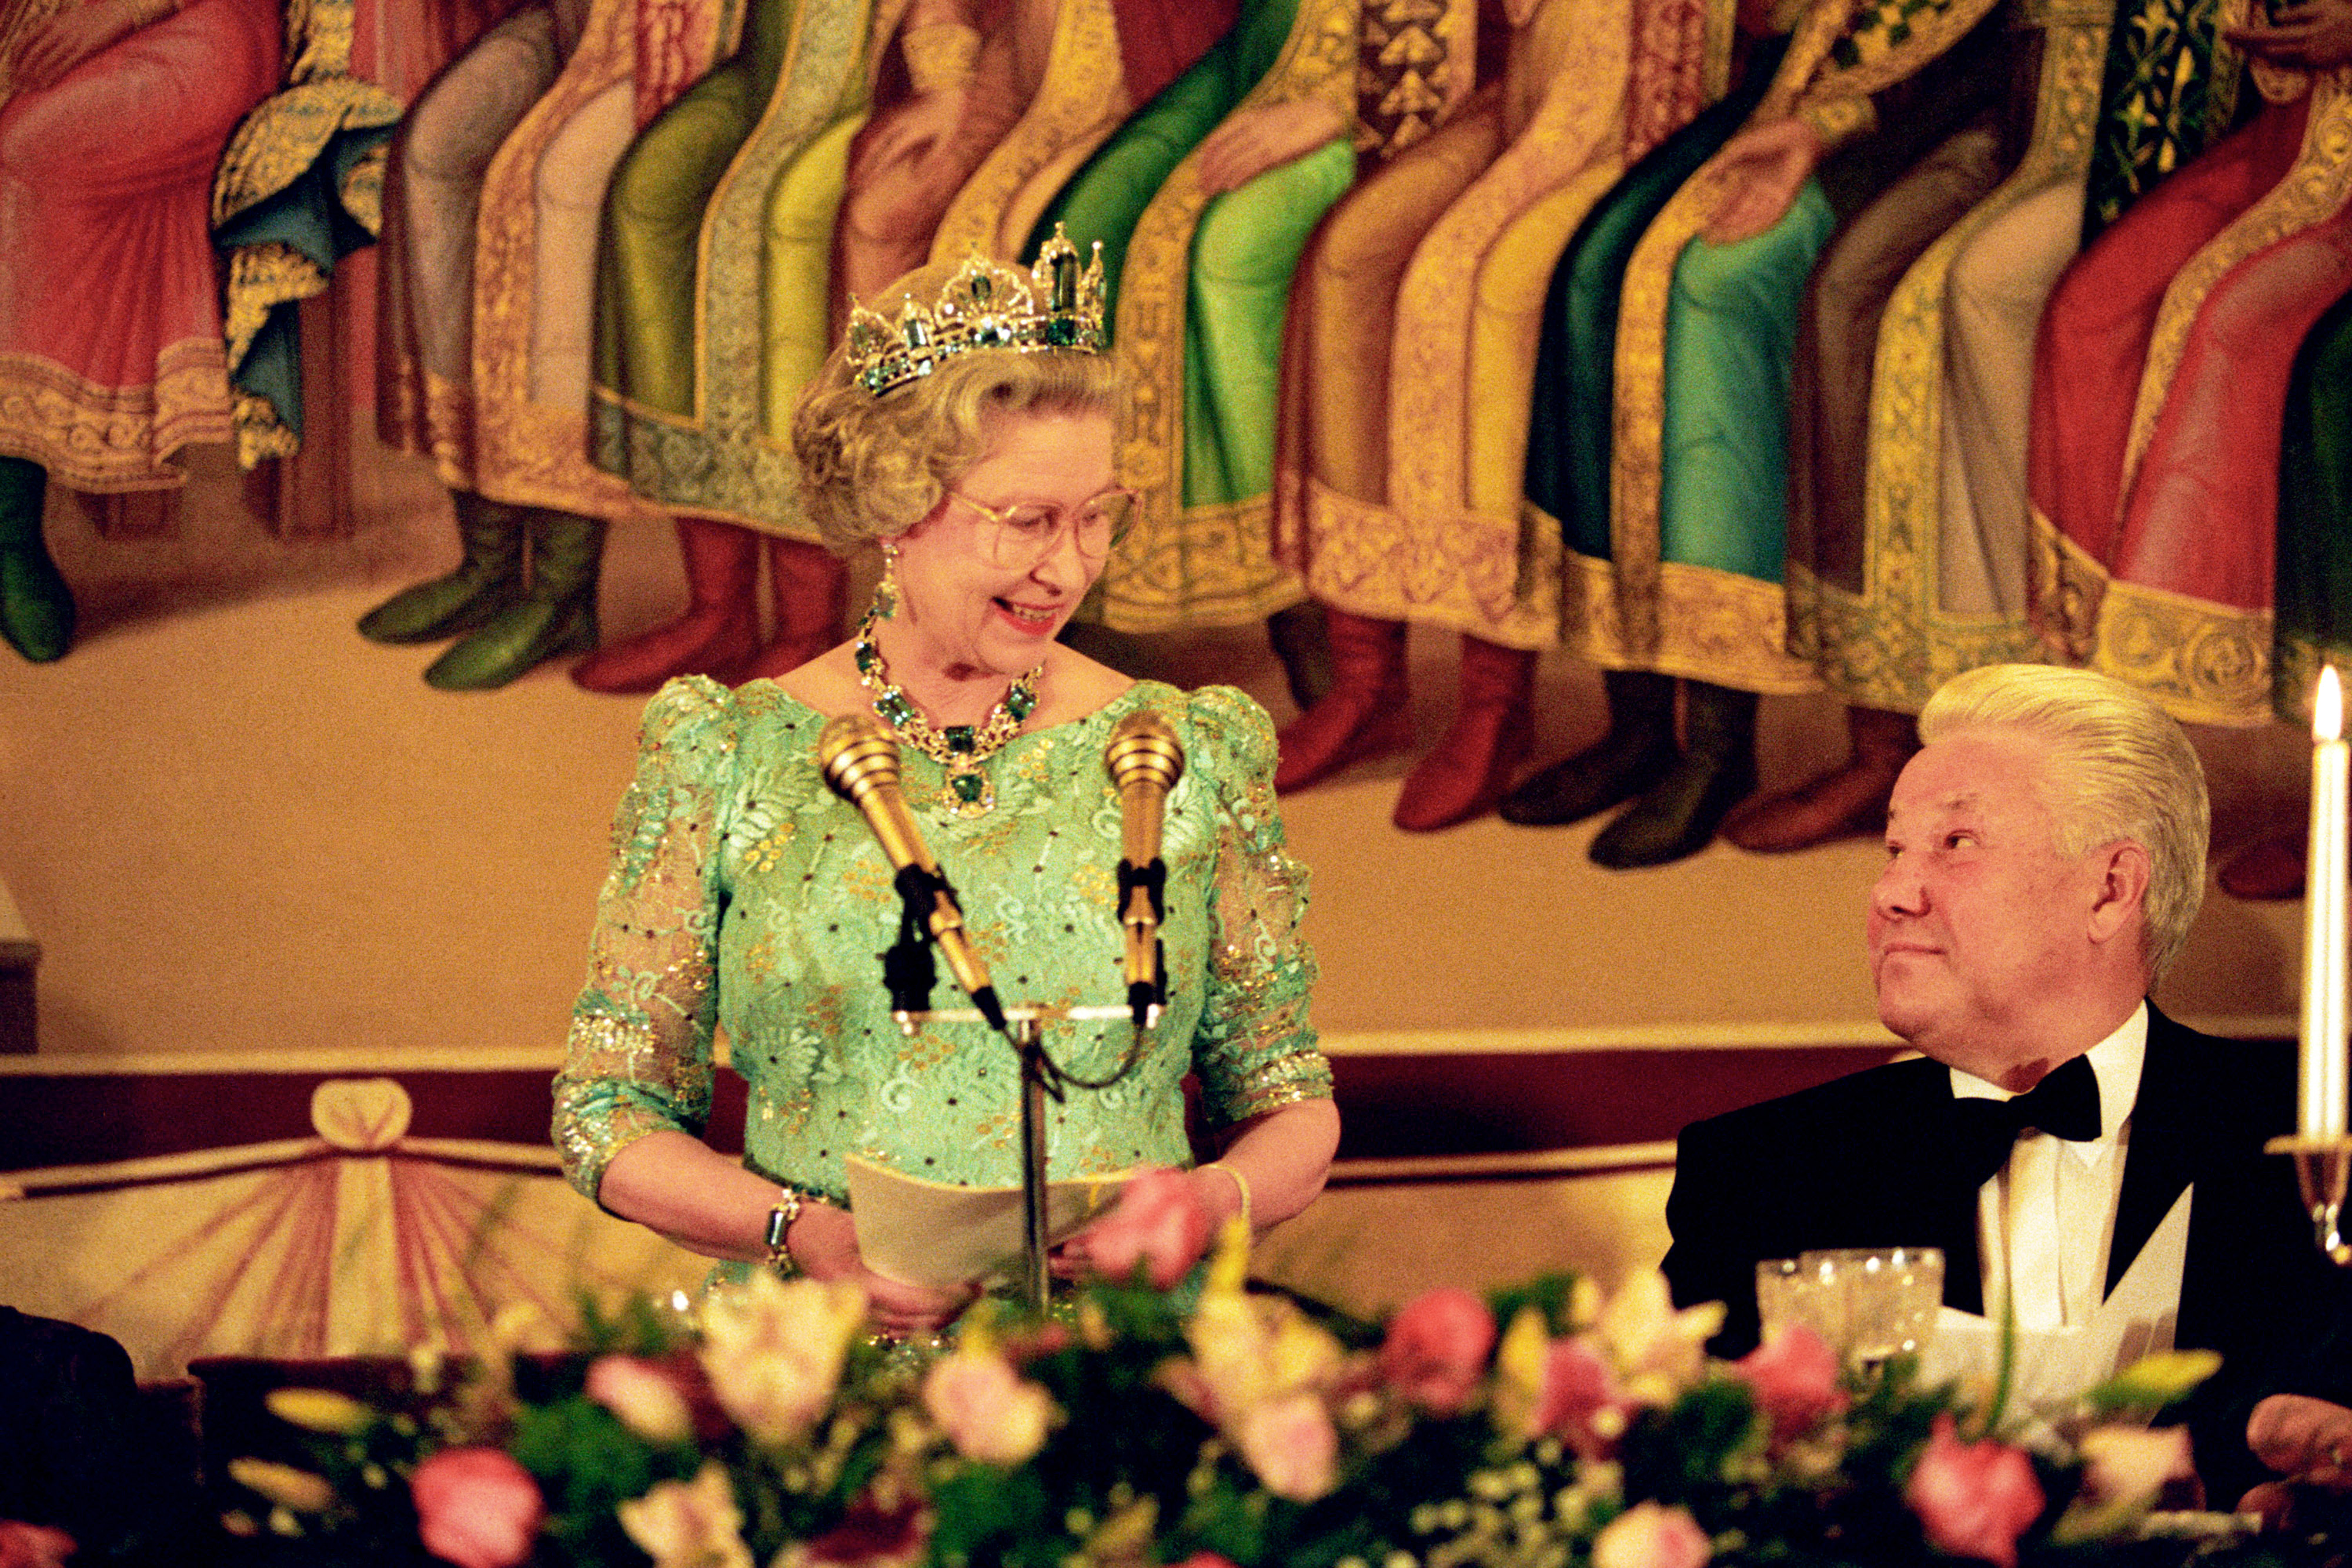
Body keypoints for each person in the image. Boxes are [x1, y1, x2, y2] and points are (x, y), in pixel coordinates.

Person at [551, 241, 1339, 1336]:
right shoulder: (729, 755)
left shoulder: (1186, 750)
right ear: (894, 509)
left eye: (1097, 515)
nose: (1067, 570)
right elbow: (607, 1111)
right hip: (824, 1382)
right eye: (1024, 521)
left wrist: (1204, 1204)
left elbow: (1287, 1094)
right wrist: (803, 1234)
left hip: (1127, 1378)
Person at [1662, 662, 2350, 1504]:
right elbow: (1687, 1477)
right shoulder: (1758, 1169)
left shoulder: (2318, 1140)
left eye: (1955, 845)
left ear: (2110, 889)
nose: (1890, 893)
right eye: (1894, 848)